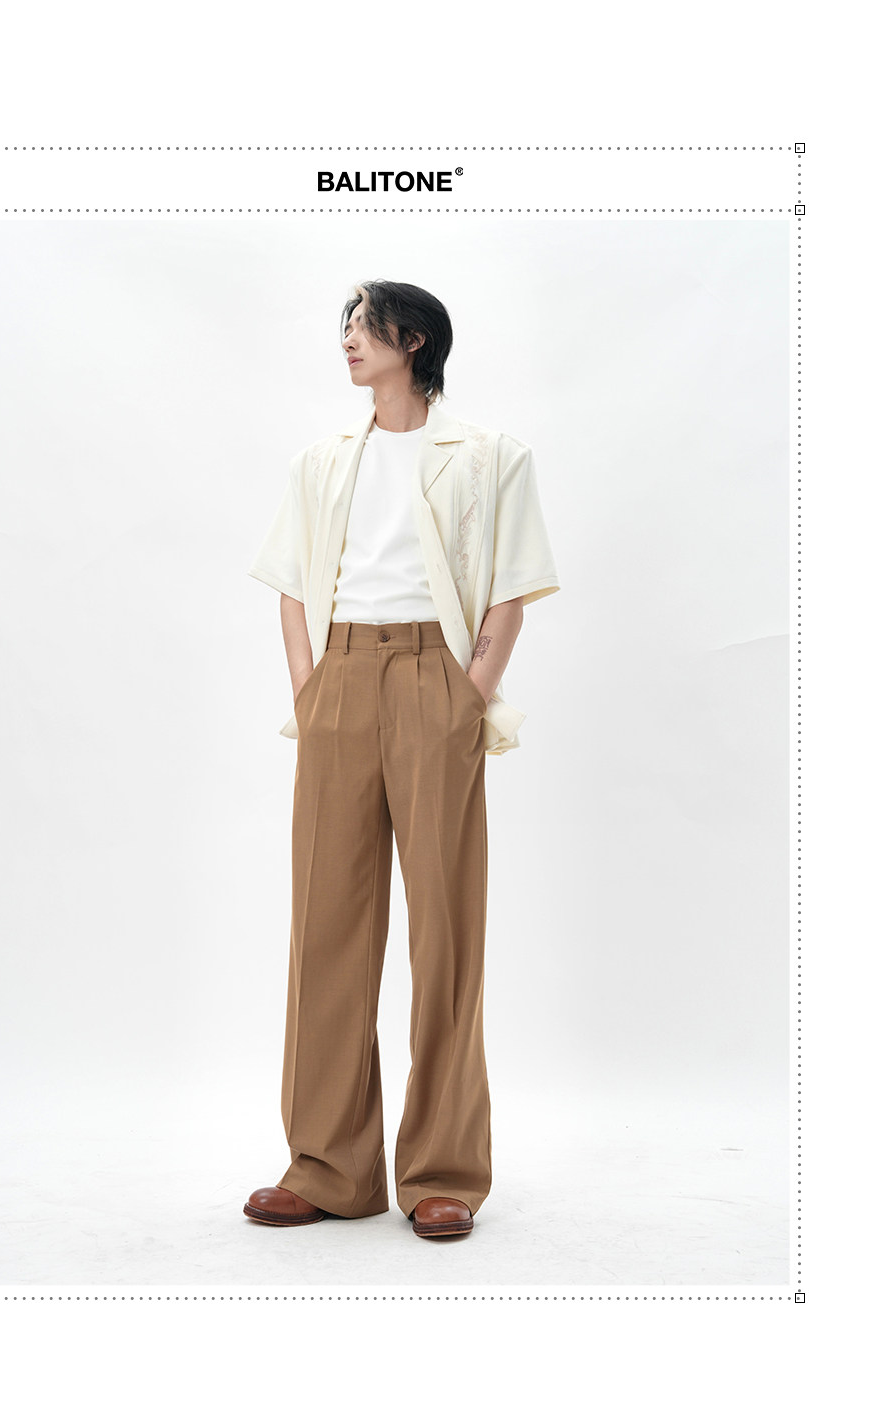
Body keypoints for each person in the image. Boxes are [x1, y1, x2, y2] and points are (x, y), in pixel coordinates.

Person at [244, 281, 558, 1244]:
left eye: (362, 324)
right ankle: (327, 1166)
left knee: (445, 931)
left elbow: (510, 589)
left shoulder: (492, 454)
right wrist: (310, 689)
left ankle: (443, 1172)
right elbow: (292, 585)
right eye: (343, 326)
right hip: (339, 680)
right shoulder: (321, 459)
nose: (347, 339)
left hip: (436, 678)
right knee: (325, 927)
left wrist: (468, 693)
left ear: (412, 340)